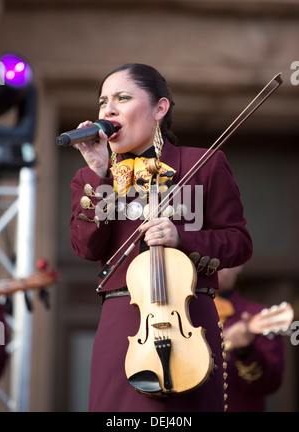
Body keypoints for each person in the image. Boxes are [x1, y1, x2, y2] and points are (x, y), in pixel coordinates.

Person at [69, 63, 253, 412]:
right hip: (123, 321)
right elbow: (85, 247)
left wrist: (183, 238)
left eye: (122, 98)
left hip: (189, 317)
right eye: (102, 101)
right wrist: (100, 178)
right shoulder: (89, 178)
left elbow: (240, 243)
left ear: (159, 108)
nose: (107, 109)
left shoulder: (205, 164)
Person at [216, 266, 285, 412]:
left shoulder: (258, 315)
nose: (214, 264)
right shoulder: (176, 312)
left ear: (238, 264)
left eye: (222, 256)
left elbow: (270, 383)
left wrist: (247, 351)